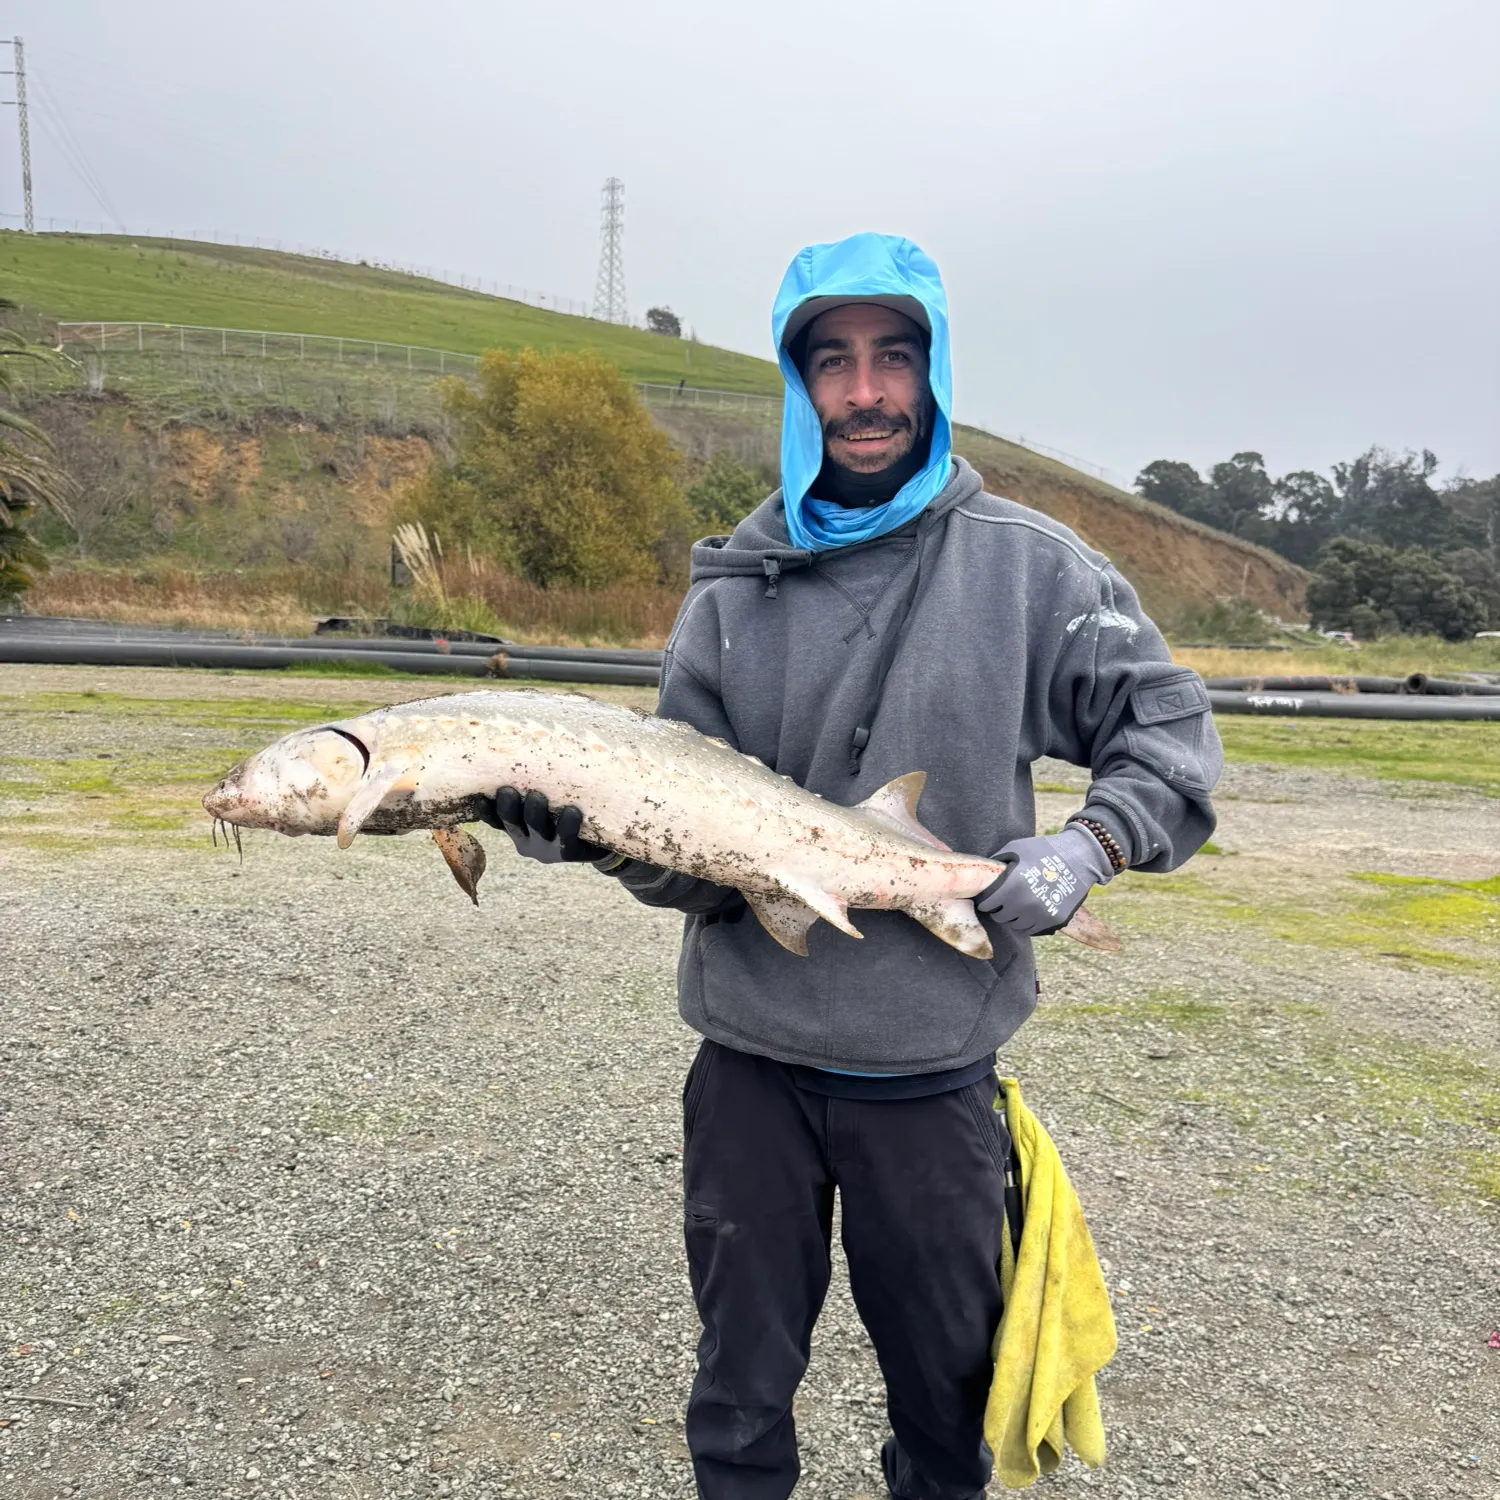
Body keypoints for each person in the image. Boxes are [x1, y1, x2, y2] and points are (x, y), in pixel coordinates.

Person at [487, 232, 1221, 1500]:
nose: (865, 391)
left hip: (931, 1080)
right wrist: (605, 840)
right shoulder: (728, 592)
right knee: (736, 1394)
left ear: (934, 373)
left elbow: (1169, 736)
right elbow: (703, 864)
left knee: (945, 1407)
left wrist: (1089, 845)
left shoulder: (1036, 569)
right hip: (750, 1077)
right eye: (833, 361)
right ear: (796, 382)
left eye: (895, 356)